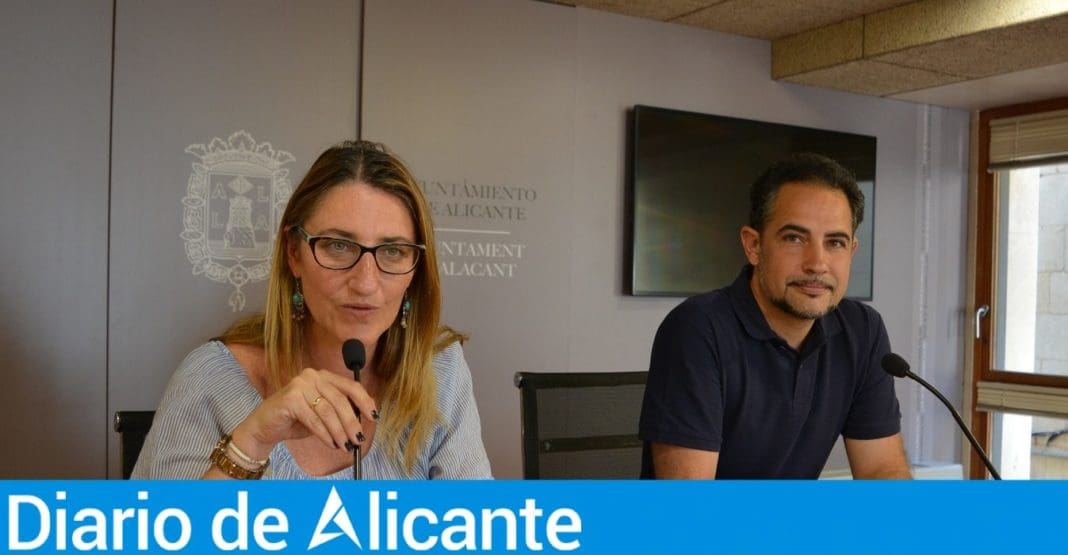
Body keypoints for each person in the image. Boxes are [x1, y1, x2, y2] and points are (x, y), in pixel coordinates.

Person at [134, 140, 492, 479]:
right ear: (294, 252)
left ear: (416, 269)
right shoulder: (211, 377)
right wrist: (253, 440)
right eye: (339, 245)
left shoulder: (439, 369)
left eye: (393, 251)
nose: (366, 282)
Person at [639, 153, 910, 479]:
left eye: (835, 242)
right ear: (754, 246)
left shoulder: (863, 331)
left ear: (851, 251)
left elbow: (882, 471)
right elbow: (688, 506)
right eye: (795, 238)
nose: (817, 263)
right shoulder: (697, 329)